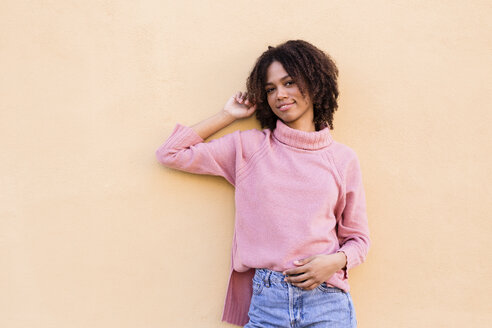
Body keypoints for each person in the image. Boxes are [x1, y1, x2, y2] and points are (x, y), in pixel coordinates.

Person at [155, 40, 370, 327]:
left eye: (289, 82)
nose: (280, 94)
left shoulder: (342, 159)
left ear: (315, 83)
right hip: (268, 304)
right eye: (270, 89)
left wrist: (334, 262)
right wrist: (228, 115)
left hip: (327, 302)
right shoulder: (249, 148)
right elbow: (170, 153)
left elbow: (359, 240)